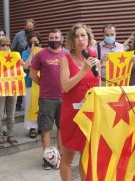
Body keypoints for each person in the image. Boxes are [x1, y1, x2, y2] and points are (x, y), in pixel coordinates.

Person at [59, 23, 101, 181]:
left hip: (90, 114)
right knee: (68, 157)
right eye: (76, 36)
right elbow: (65, 86)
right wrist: (84, 70)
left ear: (89, 38)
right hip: (72, 114)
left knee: (87, 156)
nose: (80, 39)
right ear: (72, 40)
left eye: (83, 35)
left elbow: (99, 87)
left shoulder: (94, 60)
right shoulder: (65, 59)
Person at [29, 28, 67, 170]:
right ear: (48, 39)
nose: (54, 40)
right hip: (46, 98)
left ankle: (61, 156)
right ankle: (48, 158)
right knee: (45, 128)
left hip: (64, 97)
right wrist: (43, 84)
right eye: (51, 38)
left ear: (61, 39)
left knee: (62, 128)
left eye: (56, 37)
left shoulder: (66, 54)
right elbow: (32, 74)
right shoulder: (41, 55)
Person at [0, 36, 21, 147]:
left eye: (8, 44)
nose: (6, 47)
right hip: (0, 88)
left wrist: (21, 65)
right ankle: (0, 136)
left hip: (13, 88)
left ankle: (10, 135)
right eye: (3, 45)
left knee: (11, 114)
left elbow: (21, 72)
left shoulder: (15, 56)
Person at [12, 19, 36, 111]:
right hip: (20, 62)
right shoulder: (19, 35)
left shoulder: (35, 36)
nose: (29, 30)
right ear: (25, 27)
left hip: (31, 63)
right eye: (27, 28)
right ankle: (18, 105)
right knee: (19, 83)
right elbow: (13, 48)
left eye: (31, 29)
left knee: (29, 83)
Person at [22, 31, 42, 138]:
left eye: (36, 42)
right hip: (30, 83)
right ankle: (31, 127)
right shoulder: (25, 53)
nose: (34, 43)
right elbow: (26, 66)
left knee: (39, 105)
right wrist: (31, 53)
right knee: (29, 105)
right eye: (32, 42)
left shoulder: (42, 52)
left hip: (40, 83)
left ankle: (39, 125)